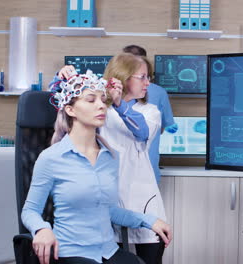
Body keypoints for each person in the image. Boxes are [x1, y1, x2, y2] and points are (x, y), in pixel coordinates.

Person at [22, 70, 172, 264]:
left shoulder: (110, 157)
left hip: (107, 251)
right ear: (70, 110)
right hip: (70, 253)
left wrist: (150, 220)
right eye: (91, 100)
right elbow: (30, 210)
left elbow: (108, 210)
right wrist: (42, 229)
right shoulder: (51, 158)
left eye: (103, 99)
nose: (101, 105)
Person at [122, 45, 178, 184]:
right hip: (137, 171)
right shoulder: (105, 100)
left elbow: (154, 129)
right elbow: (164, 127)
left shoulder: (151, 108)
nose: (146, 84)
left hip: (140, 171)